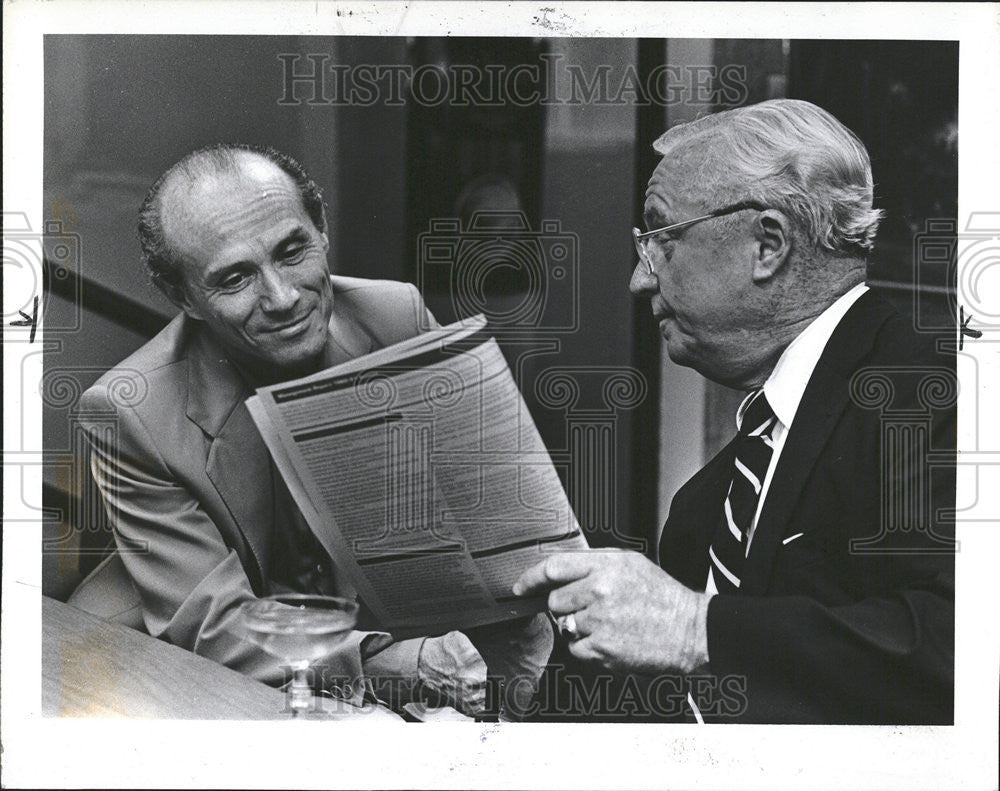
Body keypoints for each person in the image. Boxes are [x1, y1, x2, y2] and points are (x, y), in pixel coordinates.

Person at [515, 99, 955, 724]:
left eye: (660, 239)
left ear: (767, 244)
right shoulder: (704, 506)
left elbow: (960, 645)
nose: (639, 281)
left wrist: (694, 627)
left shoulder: (937, 394)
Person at [74, 143, 550, 715]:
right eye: (234, 279)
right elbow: (211, 624)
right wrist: (387, 662)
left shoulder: (395, 316)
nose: (282, 297)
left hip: (370, 630)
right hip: (191, 653)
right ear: (183, 297)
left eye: (291, 250)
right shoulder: (131, 409)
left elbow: (491, 514)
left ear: (321, 229)